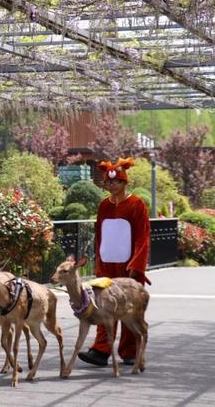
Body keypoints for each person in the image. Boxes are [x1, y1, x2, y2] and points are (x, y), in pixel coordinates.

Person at [78, 157, 151, 367]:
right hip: (107, 264)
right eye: (108, 182)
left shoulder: (137, 205)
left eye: (116, 182)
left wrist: (136, 266)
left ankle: (129, 351)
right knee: (103, 306)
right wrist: (98, 262)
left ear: (124, 182)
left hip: (128, 266)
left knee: (129, 308)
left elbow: (142, 238)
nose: (111, 185)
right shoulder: (103, 206)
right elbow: (100, 235)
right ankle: (101, 349)